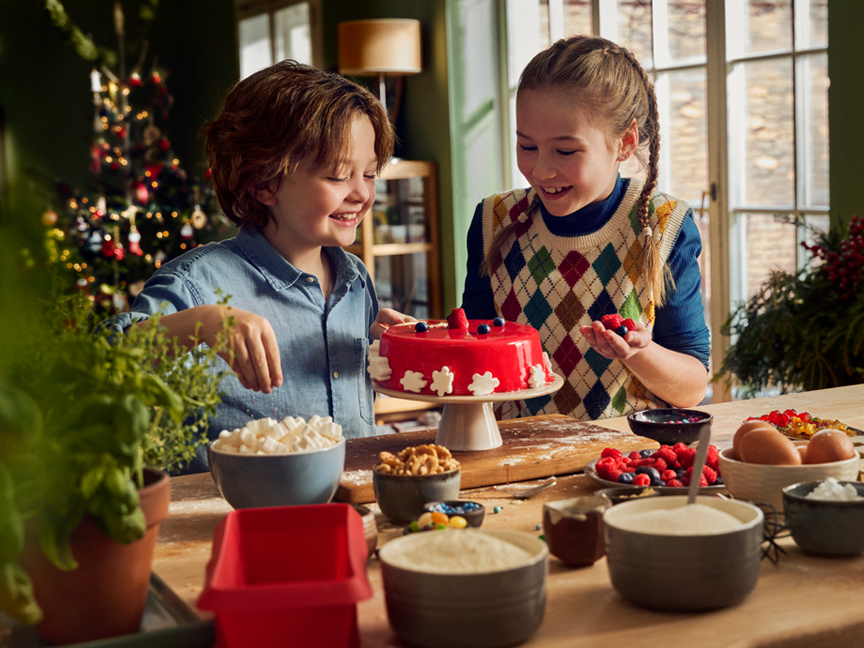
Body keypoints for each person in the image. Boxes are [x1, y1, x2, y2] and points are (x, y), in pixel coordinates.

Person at [100, 61, 405, 472]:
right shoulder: (197, 286)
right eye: (337, 176)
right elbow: (105, 369)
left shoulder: (355, 279)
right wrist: (201, 323)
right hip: (242, 517)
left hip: (353, 504)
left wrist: (394, 351)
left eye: (369, 174)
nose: (363, 194)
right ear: (263, 182)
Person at [461, 35, 710, 421]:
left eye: (565, 151)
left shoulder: (664, 227)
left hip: (626, 465)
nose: (541, 170)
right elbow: (473, 357)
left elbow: (692, 388)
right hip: (518, 460)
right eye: (526, 146)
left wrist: (639, 352)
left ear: (625, 143)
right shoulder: (494, 221)